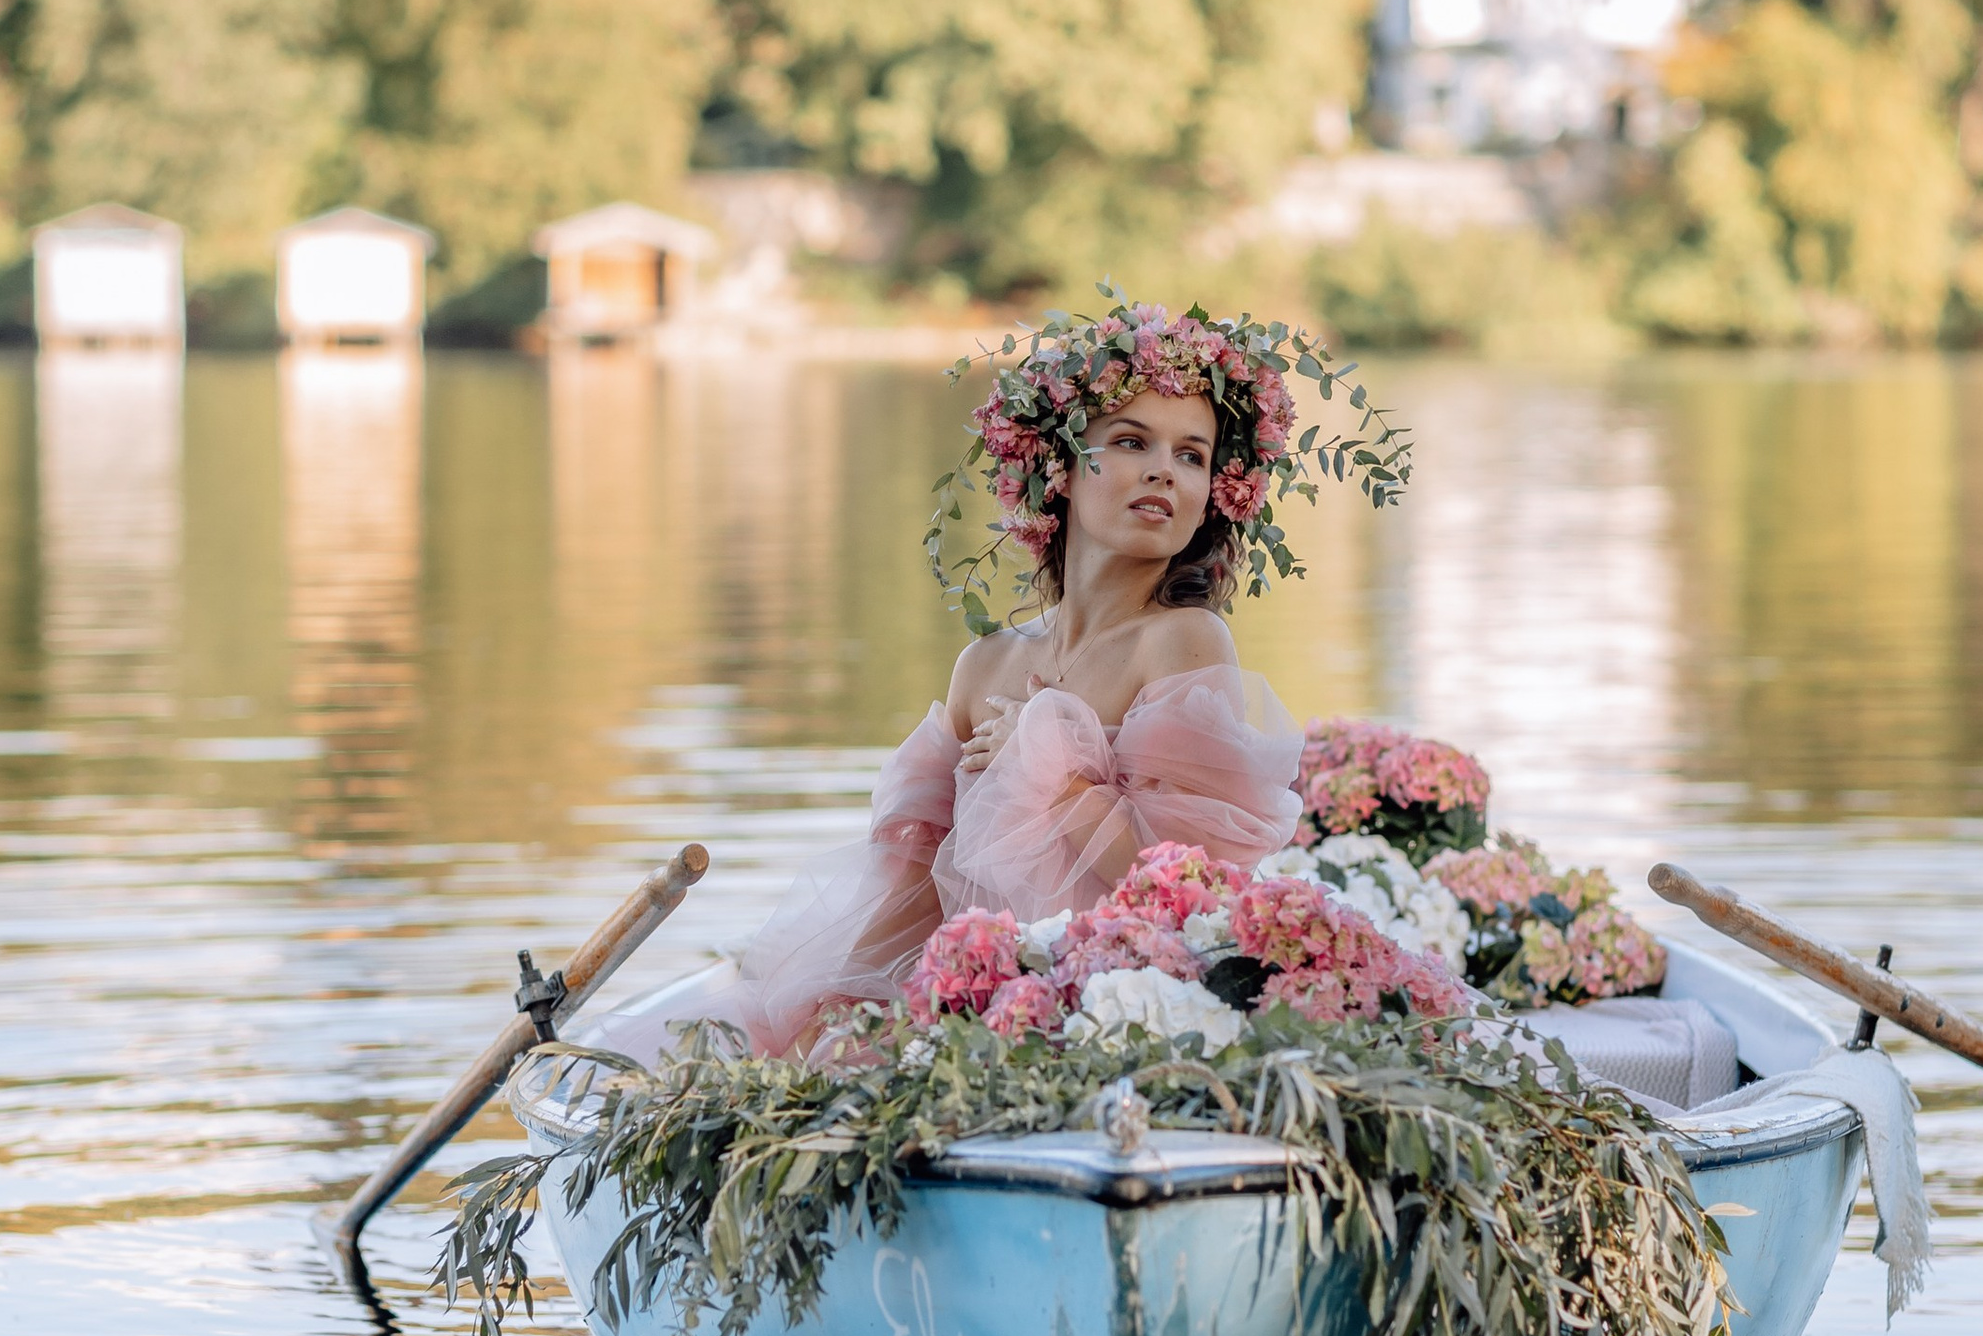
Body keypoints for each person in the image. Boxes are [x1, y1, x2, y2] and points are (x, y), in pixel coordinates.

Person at [596, 300, 1405, 1061]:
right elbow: (917, 887)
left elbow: (1191, 893)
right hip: (968, 1008)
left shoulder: (1185, 641)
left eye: (1191, 456)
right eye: (1130, 441)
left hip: (1109, 1008)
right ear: (1061, 468)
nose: (1164, 471)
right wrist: (837, 1004)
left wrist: (1055, 774)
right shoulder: (985, 666)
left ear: (1211, 501)